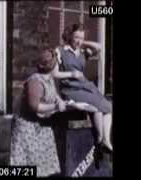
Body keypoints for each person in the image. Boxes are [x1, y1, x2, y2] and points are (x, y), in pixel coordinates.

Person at [52, 23, 113, 153]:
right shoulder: (60, 51)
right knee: (97, 108)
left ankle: (105, 140)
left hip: (86, 87)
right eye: (76, 37)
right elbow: (54, 74)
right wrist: (71, 74)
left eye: (81, 38)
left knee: (109, 108)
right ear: (69, 36)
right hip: (71, 90)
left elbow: (99, 47)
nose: (79, 41)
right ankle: (100, 139)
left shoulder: (83, 52)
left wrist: (82, 42)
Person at [10, 48, 66, 177]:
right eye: (57, 63)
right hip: (27, 128)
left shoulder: (49, 78)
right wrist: (55, 107)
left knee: (42, 167)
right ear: (52, 65)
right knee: (28, 165)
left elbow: (54, 94)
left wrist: (60, 101)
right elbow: (34, 106)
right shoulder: (35, 81)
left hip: (42, 127)